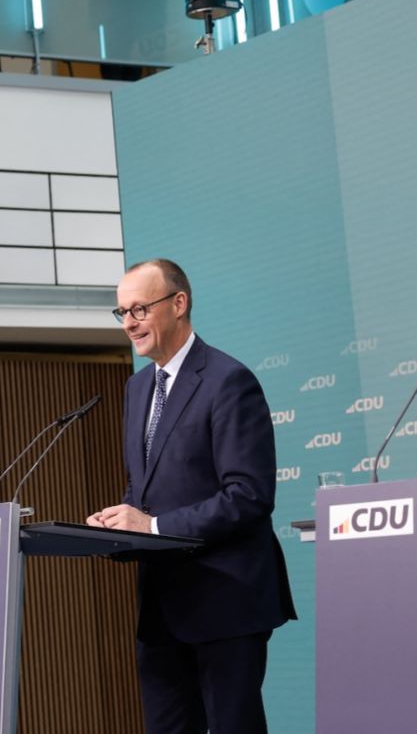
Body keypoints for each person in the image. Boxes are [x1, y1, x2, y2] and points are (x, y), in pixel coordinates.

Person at [87, 258, 295, 734]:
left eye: (139, 308)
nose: (130, 324)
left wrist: (154, 527)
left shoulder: (228, 380)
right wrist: (121, 524)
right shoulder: (138, 388)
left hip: (225, 602)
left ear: (178, 303)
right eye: (122, 313)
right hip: (162, 608)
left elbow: (248, 495)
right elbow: (145, 485)